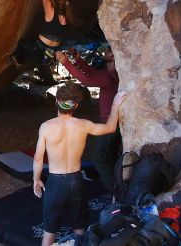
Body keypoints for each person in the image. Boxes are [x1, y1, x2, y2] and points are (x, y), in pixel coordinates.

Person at [33, 83, 128, 246]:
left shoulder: (46, 127)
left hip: (55, 183)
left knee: (49, 232)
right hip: (76, 181)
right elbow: (111, 128)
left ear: (56, 101)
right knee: (79, 229)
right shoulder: (83, 124)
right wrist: (115, 104)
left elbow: (38, 158)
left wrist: (36, 179)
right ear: (76, 105)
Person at [56, 48, 121, 196]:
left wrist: (65, 62)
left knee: (99, 158)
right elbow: (91, 73)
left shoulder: (111, 77)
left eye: (110, 51)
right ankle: (117, 184)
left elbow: (87, 80)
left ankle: (116, 191)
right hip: (112, 122)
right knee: (109, 155)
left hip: (111, 125)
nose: (106, 52)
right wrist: (77, 59)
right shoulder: (108, 74)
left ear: (115, 57)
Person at [12, 0, 80, 83]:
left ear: (56, 1)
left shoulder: (50, 10)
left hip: (38, 48)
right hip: (53, 49)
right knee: (42, 52)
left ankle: (19, 60)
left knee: (22, 43)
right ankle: (46, 61)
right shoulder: (68, 11)